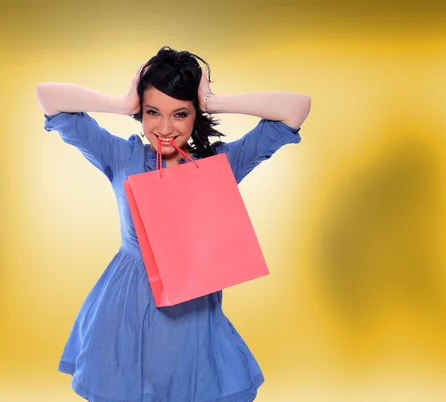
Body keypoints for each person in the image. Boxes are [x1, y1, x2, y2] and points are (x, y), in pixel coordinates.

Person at [36, 45, 311, 402]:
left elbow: (296, 109)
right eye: (153, 112)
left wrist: (212, 101)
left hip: (191, 316)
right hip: (125, 311)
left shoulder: (218, 166)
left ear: (195, 115)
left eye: (180, 114)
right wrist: (123, 104)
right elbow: (47, 97)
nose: (164, 128)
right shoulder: (123, 155)